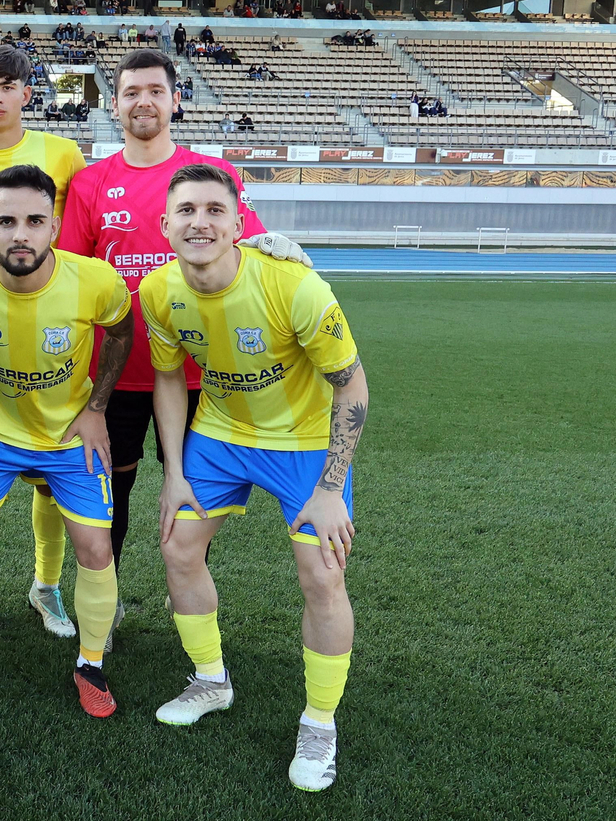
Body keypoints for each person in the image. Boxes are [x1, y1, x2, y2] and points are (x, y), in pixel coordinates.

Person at [58, 48, 307, 655]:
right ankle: (106, 604)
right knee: (105, 501)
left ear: (175, 99)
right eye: (130, 92)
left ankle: (183, 587)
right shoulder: (92, 182)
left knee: (191, 492)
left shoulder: (208, 173)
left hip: (199, 376)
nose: (143, 101)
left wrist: (283, 248)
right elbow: (70, 276)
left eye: (155, 90)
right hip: (112, 376)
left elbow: (249, 245)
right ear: (113, 105)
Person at [140, 162, 366, 793]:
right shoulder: (159, 293)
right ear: (165, 226)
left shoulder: (295, 288)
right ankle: (211, 680)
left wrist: (329, 489)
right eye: (186, 211)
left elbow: (352, 385)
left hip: (303, 444)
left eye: (215, 210)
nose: (200, 222)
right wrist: (175, 471)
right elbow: (166, 377)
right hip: (218, 435)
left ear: (239, 224)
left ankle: (319, 723)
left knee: (322, 573)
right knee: (177, 548)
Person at [0, 164, 135, 716]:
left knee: (96, 549)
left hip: (69, 436)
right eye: (5, 221)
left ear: (54, 226)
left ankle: (90, 663)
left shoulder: (95, 280)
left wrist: (97, 407)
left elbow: (121, 331)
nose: (19, 233)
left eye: (33, 221)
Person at [0, 45, 89, 639]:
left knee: (51, 465)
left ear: (28, 93)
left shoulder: (63, 153)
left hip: (47, 329)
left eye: (9, 86)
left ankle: (45, 585)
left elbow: (76, 233)